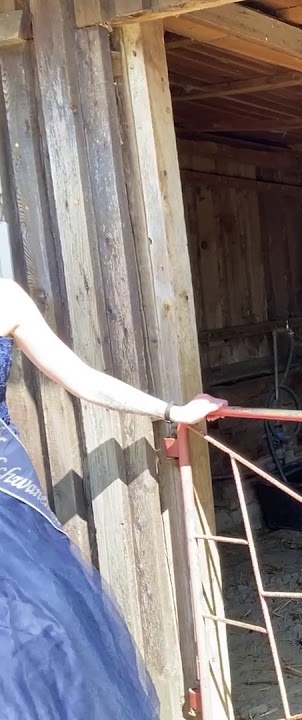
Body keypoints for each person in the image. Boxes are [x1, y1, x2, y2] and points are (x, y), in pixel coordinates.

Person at [0, 277, 227, 719]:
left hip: (8, 497)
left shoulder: (5, 297)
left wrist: (170, 411)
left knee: (44, 630)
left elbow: (82, 378)